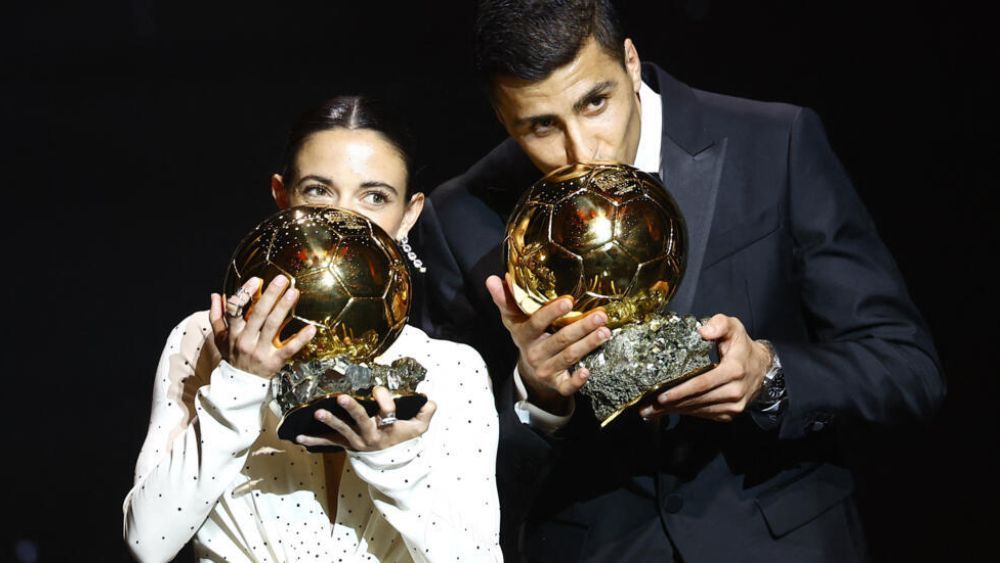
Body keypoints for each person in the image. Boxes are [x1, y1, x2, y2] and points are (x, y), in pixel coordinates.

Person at [412, 1, 945, 561]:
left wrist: (770, 373)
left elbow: (906, 366)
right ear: (502, 116)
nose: (580, 150)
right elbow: (449, 473)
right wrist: (537, 397)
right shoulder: (461, 217)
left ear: (632, 62)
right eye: (541, 125)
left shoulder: (775, 142)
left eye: (596, 103)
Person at [123, 96, 503, 562]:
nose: (342, 220)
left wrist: (391, 461)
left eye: (375, 196)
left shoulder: (450, 370)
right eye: (319, 191)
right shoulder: (203, 339)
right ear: (283, 199)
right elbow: (147, 541)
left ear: (409, 215)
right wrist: (239, 382)